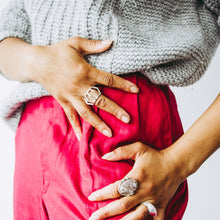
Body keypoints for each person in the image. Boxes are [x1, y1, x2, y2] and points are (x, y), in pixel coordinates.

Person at [0, 0, 219, 219]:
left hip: (116, 126)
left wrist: (176, 165)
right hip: (34, 137)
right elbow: (8, 33)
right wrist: (39, 62)